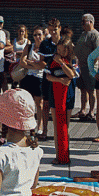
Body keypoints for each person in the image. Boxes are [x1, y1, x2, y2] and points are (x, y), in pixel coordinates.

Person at [45, 37, 78, 165]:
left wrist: (62, 63)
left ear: (68, 50)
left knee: (65, 126)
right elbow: (48, 76)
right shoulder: (52, 59)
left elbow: (72, 74)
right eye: (57, 50)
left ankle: (65, 154)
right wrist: (59, 80)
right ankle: (58, 155)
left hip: (68, 95)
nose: (58, 52)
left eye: (62, 50)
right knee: (56, 125)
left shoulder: (73, 60)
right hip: (54, 94)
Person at [18, 25, 47, 137]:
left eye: (39, 34)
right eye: (35, 35)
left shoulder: (45, 48)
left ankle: (39, 126)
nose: (37, 37)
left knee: (39, 104)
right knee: (26, 103)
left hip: (40, 78)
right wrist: (34, 64)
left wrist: (30, 63)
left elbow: (42, 65)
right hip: (28, 77)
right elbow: (22, 62)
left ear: (43, 35)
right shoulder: (29, 47)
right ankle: (27, 126)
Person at [74, 14, 99, 120]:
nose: (82, 24)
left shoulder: (95, 35)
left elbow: (98, 52)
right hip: (81, 66)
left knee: (91, 90)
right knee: (82, 89)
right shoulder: (83, 34)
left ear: (90, 22)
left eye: (84, 21)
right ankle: (82, 110)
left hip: (90, 67)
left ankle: (91, 111)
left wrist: (91, 66)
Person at [38, 18, 62, 140]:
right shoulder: (44, 43)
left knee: (59, 106)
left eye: (55, 30)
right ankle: (45, 130)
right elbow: (41, 61)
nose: (53, 32)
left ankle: (60, 132)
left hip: (61, 78)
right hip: (47, 77)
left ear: (60, 29)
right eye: (51, 30)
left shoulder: (65, 43)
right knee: (46, 104)